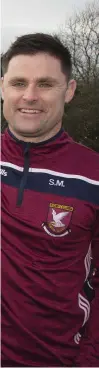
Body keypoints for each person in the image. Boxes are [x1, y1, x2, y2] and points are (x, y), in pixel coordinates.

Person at [1, 32, 99, 367]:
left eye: (45, 83)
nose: (29, 96)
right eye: (18, 83)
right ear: (2, 87)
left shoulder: (93, 176)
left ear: (69, 90)